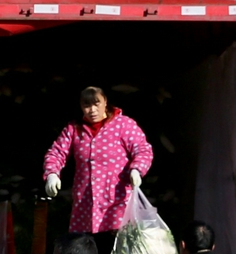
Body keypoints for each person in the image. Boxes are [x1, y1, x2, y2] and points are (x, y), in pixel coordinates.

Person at [42, 87, 153, 242]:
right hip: (85, 208)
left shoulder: (123, 124)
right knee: (83, 252)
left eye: (96, 104)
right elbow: (56, 153)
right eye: (87, 105)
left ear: (105, 102)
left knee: (117, 251)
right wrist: (52, 174)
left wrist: (137, 169)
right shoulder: (74, 129)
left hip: (117, 205)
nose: (92, 110)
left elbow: (142, 149)